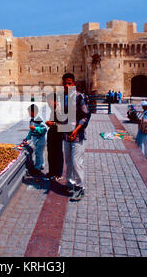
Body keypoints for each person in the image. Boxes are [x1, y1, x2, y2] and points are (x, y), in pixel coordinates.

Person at [60, 73, 91, 201]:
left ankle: (80, 187)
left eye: (70, 83)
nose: (67, 86)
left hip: (77, 135)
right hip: (66, 134)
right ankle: (70, 183)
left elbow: (86, 115)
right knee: (68, 160)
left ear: (74, 84)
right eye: (65, 83)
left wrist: (77, 129)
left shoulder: (79, 97)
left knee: (77, 162)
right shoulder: (63, 97)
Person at [23, 104, 47, 176]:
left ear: (34, 112)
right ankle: (42, 164)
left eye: (30, 112)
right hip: (36, 138)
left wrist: (36, 129)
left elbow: (44, 129)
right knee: (40, 152)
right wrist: (27, 138)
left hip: (40, 138)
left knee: (38, 153)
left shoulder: (38, 118)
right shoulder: (32, 119)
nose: (29, 114)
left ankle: (37, 168)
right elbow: (31, 130)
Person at [45, 93, 64, 181]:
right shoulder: (53, 109)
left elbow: (64, 124)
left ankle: (58, 173)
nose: (48, 104)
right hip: (52, 134)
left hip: (57, 135)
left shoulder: (59, 110)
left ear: (55, 101)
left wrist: (52, 124)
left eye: (49, 102)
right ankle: (52, 172)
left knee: (57, 154)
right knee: (51, 154)